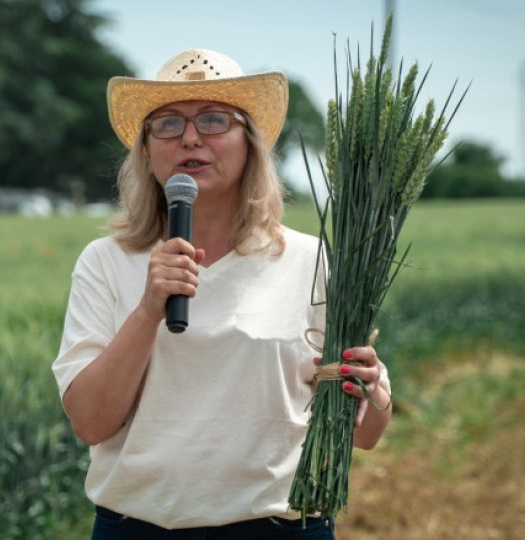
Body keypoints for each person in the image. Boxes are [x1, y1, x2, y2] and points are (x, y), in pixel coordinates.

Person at [52, 48, 393, 539]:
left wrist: (373, 390)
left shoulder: (312, 261)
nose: (191, 137)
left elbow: (363, 435)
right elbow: (89, 422)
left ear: (249, 143)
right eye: (167, 124)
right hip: (139, 527)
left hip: (282, 527)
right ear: (146, 151)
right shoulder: (105, 263)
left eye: (215, 120)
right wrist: (149, 309)